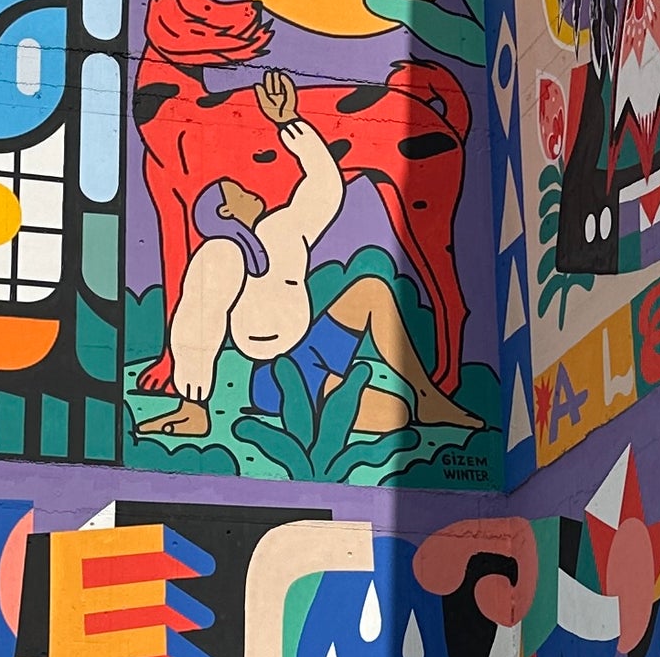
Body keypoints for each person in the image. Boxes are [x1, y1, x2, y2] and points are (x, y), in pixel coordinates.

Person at [137, 69, 479, 441]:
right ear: (225, 213)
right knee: (392, 416)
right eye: (235, 190)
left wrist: (289, 122)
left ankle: (429, 400)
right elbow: (198, 317)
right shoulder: (221, 253)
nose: (247, 188)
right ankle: (392, 405)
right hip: (278, 376)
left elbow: (325, 187)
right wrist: (194, 403)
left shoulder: (283, 228)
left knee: (372, 292)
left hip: (313, 347)